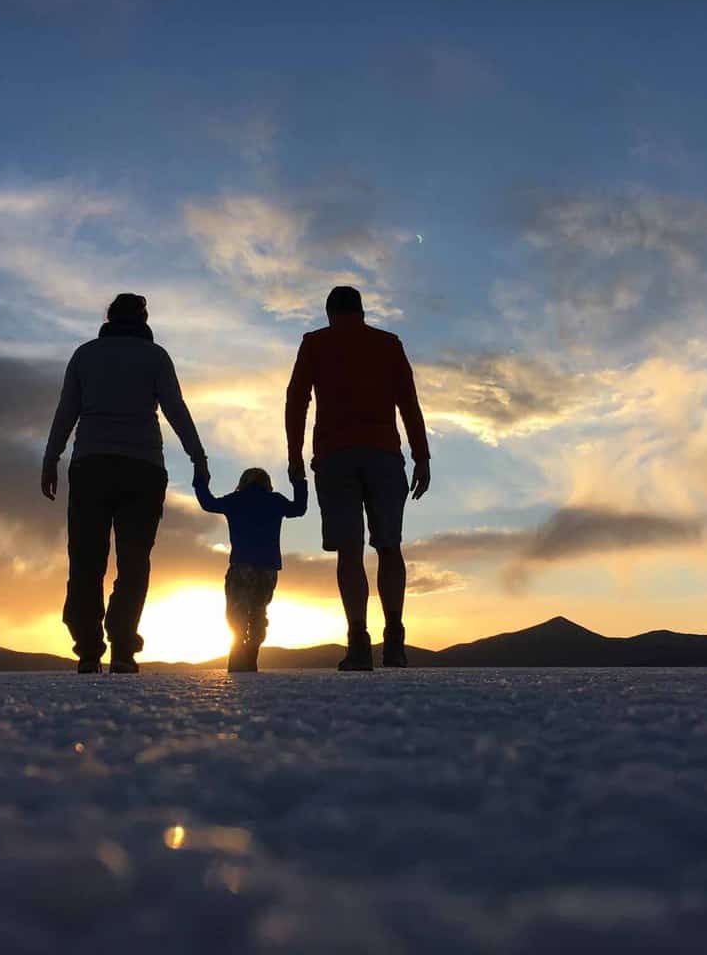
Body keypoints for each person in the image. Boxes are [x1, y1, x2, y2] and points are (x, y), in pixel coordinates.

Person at [41, 293, 209, 673]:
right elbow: (175, 408)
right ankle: (121, 647)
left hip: (91, 467)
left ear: (109, 318)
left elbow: (66, 410)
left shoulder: (85, 354)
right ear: (144, 319)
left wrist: (51, 457)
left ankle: (87, 648)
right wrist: (198, 457)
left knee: (86, 560)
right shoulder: (156, 356)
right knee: (134, 561)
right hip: (143, 468)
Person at [284, 285, 430, 671]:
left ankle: (359, 644)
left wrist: (294, 452)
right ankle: (395, 642)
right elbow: (409, 403)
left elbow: (296, 399)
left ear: (329, 312)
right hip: (383, 455)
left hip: (335, 458)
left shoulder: (315, 344)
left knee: (350, 551)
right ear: (362, 312)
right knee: (389, 547)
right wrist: (422, 456)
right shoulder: (388, 344)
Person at [194, 466, 308, 672]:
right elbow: (299, 509)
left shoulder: (236, 499)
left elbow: (208, 503)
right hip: (268, 568)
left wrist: (200, 479)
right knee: (258, 611)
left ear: (243, 482)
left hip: (241, 566)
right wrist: (299, 482)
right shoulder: (275, 500)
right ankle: (252, 651)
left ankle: (238, 651)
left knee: (236, 611)